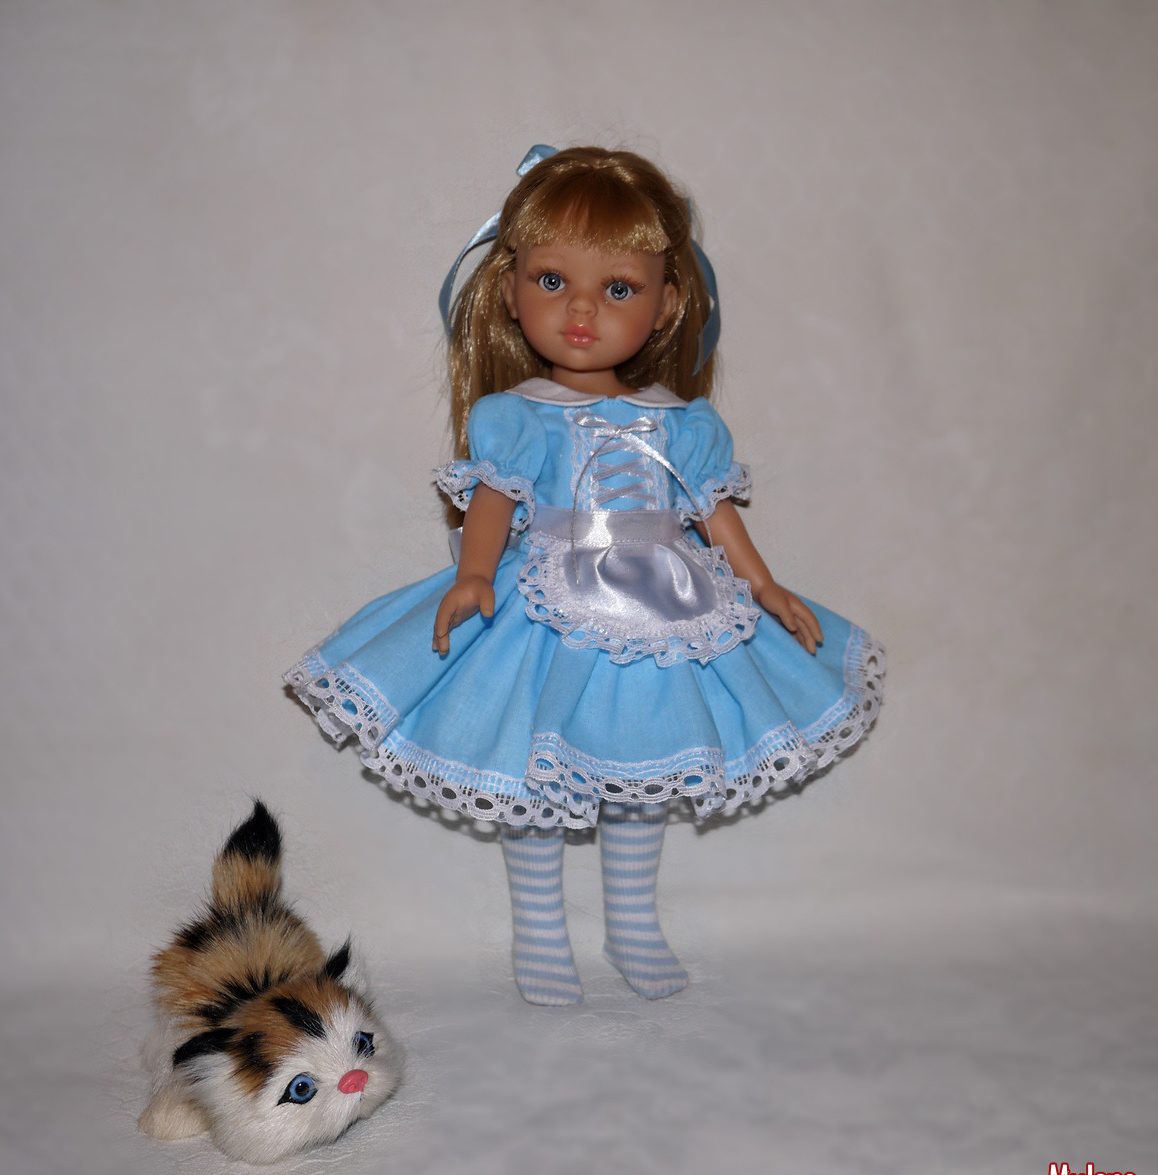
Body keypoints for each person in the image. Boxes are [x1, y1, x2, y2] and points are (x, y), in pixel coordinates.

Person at [285, 145, 884, 1005]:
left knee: (644, 768)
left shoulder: (684, 423)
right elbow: (494, 501)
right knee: (535, 767)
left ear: (667, 305)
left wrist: (764, 586)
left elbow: (713, 512)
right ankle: (539, 929)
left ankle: (632, 921)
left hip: (666, 608)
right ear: (509, 290)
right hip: (545, 605)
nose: (581, 310)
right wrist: (474, 576)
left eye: (620, 289)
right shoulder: (514, 417)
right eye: (552, 280)